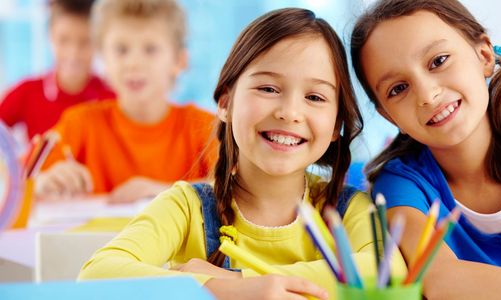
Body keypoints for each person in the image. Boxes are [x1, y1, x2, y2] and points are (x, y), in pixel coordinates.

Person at [79, 7, 405, 299]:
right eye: (268, 88)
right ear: (225, 104)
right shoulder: (188, 207)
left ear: (337, 126)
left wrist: (237, 282)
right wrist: (221, 286)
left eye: (315, 97)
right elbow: (96, 275)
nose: (290, 112)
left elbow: (387, 271)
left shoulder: (347, 211)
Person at [350, 0, 501, 298]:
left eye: (438, 61)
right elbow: (441, 281)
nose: (427, 95)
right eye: (398, 89)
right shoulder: (399, 187)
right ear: (390, 116)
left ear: (483, 55)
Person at [35, 0, 217, 203]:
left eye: (150, 49)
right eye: (121, 50)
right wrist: (42, 182)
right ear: (103, 60)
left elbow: (242, 186)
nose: (134, 63)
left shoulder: (205, 128)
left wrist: (165, 193)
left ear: (179, 61)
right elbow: (18, 180)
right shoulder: (79, 123)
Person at [0, 0, 114, 141]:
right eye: (63, 40)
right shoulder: (27, 92)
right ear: (50, 37)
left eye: (85, 41)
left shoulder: (111, 99)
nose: (73, 53)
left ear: (97, 42)